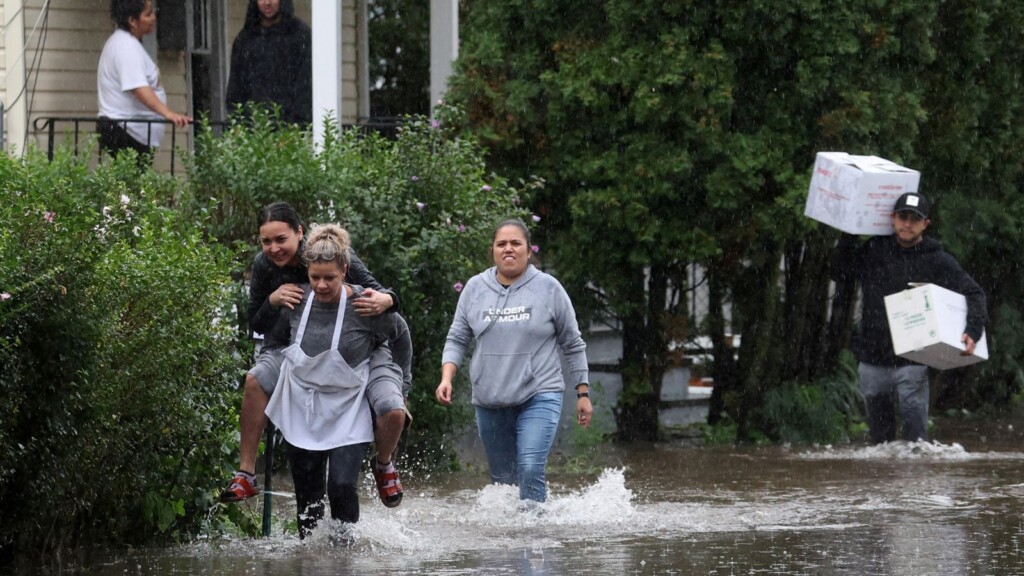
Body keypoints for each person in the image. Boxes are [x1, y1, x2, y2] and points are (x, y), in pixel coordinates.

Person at [221, 202, 408, 508]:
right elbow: (255, 323)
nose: (274, 248)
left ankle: (384, 464)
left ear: (300, 233)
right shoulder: (263, 265)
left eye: (281, 239)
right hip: (293, 348)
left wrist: (387, 301)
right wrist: (273, 299)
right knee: (255, 381)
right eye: (266, 241)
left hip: (356, 351)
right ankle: (246, 473)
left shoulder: (332, 253)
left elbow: (381, 295)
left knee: (390, 407)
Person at [263, 224, 412, 540]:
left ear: (345, 270)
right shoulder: (297, 300)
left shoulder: (366, 305)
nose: (320, 285)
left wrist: (403, 383)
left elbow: (400, 335)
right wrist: (269, 378)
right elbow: (273, 343)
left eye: (329, 278)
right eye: (315, 277)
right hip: (303, 405)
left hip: (350, 404)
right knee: (308, 497)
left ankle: (345, 559)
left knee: (342, 486)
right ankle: (312, 562)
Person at [435, 218, 592, 503]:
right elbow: (457, 338)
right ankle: (510, 546)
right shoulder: (474, 289)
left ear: (528, 250)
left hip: (539, 392)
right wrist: (447, 378)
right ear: (493, 250)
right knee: (503, 482)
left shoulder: (549, 289)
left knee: (530, 468)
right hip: (490, 397)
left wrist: (582, 391)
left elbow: (572, 342)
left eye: (515, 243)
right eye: (501, 244)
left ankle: (536, 541)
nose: (508, 249)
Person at [832, 191, 987, 444]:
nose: (907, 224)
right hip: (872, 360)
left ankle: (916, 483)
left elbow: (974, 292)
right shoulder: (873, 249)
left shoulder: (938, 260)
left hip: (914, 360)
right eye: (903, 217)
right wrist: (849, 233)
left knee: (916, 442)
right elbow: (840, 272)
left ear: (925, 224)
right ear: (892, 218)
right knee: (880, 444)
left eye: (915, 219)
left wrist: (973, 330)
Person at [97, 0, 192, 161]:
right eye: (148, 14)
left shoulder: (124, 42)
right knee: (132, 184)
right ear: (132, 21)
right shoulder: (126, 46)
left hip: (127, 132)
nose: (154, 17)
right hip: (126, 133)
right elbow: (139, 89)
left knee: (130, 184)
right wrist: (169, 114)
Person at [225, 0, 312, 125]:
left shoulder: (300, 35)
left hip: (291, 130)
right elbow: (235, 89)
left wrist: (295, 126)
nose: (267, 2)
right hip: (254, 130)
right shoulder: (245, 39)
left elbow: (305, 88)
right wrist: (238, 123)